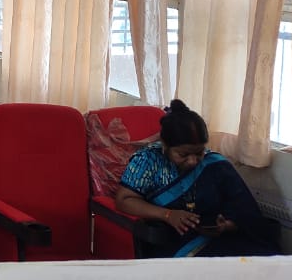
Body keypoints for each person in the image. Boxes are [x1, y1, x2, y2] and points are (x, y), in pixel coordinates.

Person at [116, 100, 278, 258]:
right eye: (183, 154)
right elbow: (124, 200)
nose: (193, 161)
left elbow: (246, 212)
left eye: (199, 152)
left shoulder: (215, 165)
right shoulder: (148, 160)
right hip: (173, 241)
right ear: (165, 145)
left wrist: (226, 225)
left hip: (222, 239)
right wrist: (168, 215)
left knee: (262, 259)